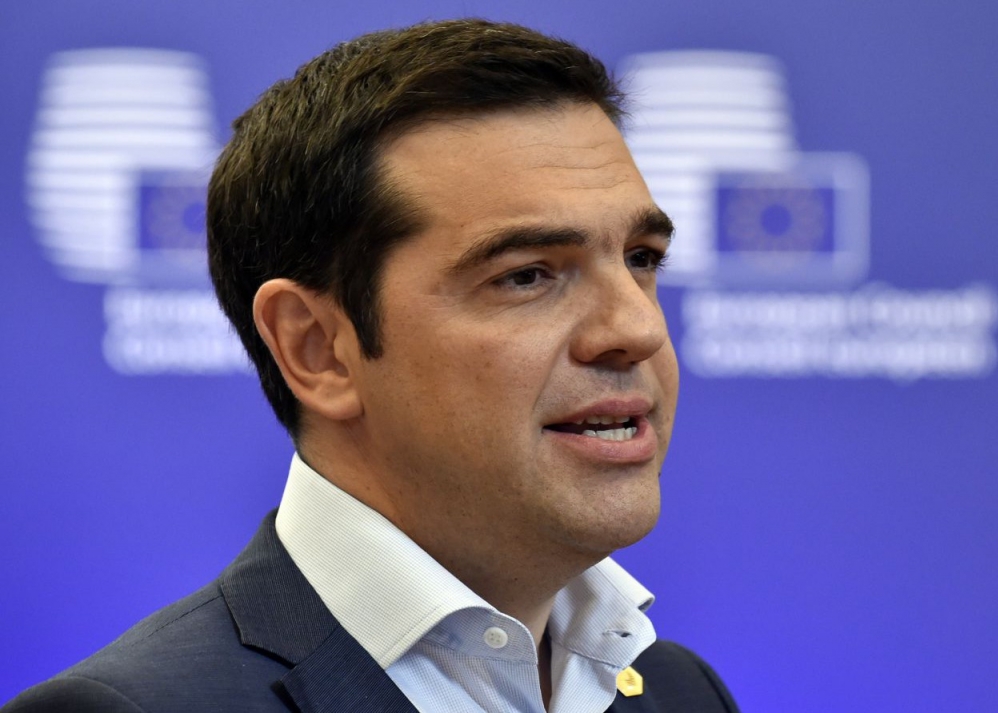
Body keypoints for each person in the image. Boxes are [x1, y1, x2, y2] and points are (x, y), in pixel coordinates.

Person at [3, 19, 740, 713]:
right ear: (317, 348)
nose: (637, 327)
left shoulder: (680, 690)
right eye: (528, 275)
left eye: (642, 259)